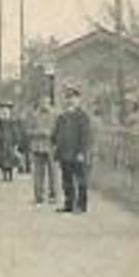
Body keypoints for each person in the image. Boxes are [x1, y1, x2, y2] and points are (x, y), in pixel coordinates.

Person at [52, 84, 92, 213]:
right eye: (68, 97)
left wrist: (82, 152)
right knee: (67, 180)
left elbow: (85, 136)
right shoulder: (62, 117)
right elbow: (56, 133)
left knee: (81, 180)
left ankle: (81, 205)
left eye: (73, 97)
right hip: (64, 153)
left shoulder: (82, 116)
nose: (70, 100)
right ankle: (69, 204)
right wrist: (54, 143)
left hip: (77, 153)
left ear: (78, 99)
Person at [27, 95, 57, 204]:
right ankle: (38, 196)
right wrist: (39, 132)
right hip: (37, 147)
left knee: (53, 173)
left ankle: (53, 195)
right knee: (38, 173)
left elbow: (59, 131)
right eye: (42, 103)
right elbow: (28, 131)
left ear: (50, 103)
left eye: (47, 103)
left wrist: (51, 133)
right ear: (39, 103)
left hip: (51, 147)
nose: (44, 105)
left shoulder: (55, 115)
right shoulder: (34, 115)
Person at [0, 101, 18, 182]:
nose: (5, 113)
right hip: (2, 142)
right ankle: (4, 175)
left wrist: (16, 142)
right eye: (3, 111)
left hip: (10, 142)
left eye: (7, 111)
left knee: (10, 158)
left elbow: (15, 132)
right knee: (2, 159)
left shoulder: (12, 122)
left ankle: (10, 175)